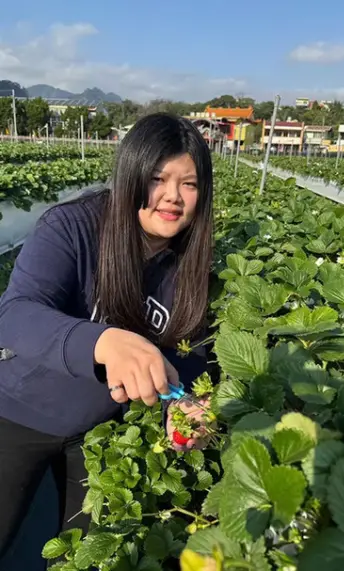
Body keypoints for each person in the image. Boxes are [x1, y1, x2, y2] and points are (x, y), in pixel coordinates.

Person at [0, 112, 215, 559]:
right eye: (157, 179)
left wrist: (186, 404)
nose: (173, 197)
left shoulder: (191, 267)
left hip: (101, 434)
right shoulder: (73, 227)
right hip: (20, 413)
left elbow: (188, 355)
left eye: (190, 184)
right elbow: (15, 313)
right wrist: (101, 341)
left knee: (88, 558)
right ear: (131, 175)